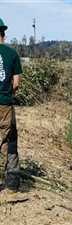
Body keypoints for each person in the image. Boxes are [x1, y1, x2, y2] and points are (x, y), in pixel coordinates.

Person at [0, 18, 22, 191]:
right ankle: (11, 180)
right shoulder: (12, 54)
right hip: (5, 105)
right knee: (7, 138)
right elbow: (16, 83)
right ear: (3, 34)